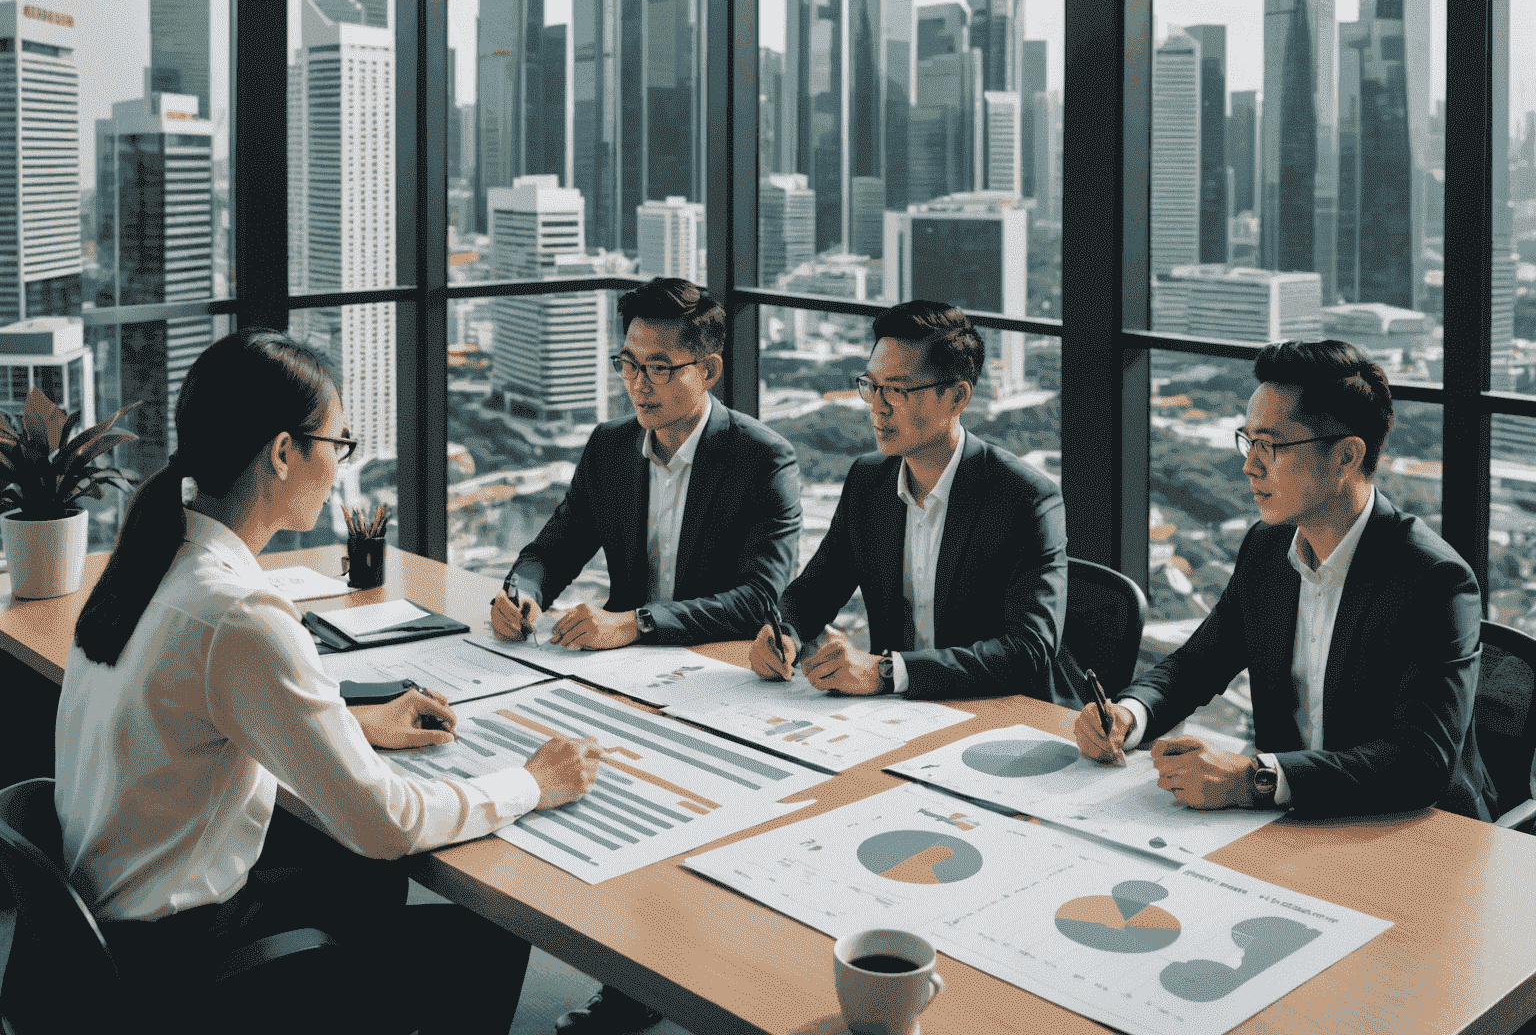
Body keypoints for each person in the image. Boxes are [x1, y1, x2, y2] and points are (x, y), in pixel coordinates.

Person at [43, 330, 601, 1035]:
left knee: (357, 879)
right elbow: (384, 821)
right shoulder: (239, 611)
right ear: (283, 453)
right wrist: (533, 783)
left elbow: (185, 724)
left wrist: (351, 725)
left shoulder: (154, 561)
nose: (340, 469)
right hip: (180, 974)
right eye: (338, 445)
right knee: (488, 925)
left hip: (104, 939)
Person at [489, 276, 801, 1034]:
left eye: (661, 367)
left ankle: (644, 995)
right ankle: (619, 973)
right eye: (629, 363)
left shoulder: (762, 458)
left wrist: (636, 622)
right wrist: (520, 593)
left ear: (709, 369)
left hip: (724, 693)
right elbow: (549, 549)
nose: (640, 383)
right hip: (624, 683)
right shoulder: (609, 449)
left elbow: (763, 600)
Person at [1073, 339, 1497, 822]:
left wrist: (1257, 777)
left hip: (1415, 832)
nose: (1251, 465)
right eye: (1249, 441)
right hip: (1292, 823)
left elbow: (1420, 762)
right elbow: (1198, 664)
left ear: (1345, 457)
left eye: (1271, 445)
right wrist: (1130, 714)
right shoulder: (1268, 548)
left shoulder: (1434, 580)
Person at [747, 299, 1073, 703]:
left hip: (997, 716)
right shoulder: (869, 480)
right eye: (871, 386)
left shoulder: (1025, 499)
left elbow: (1028, 651)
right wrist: (784, 634)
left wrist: (888, 671)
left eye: (897, 390)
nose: (878, 406)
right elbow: (814, 591)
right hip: (895, 714)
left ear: (956, 398)